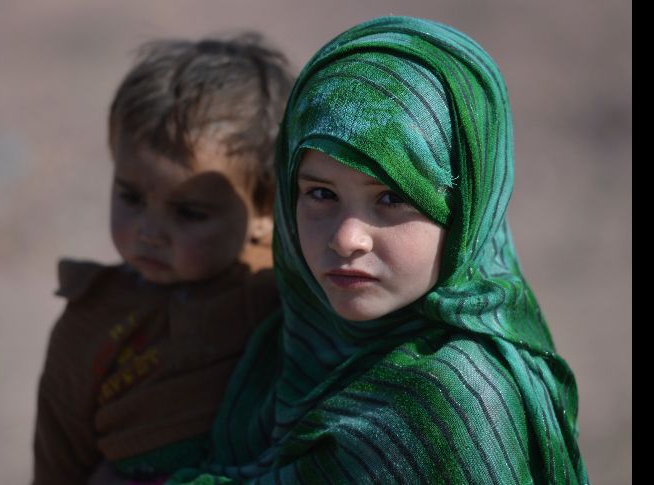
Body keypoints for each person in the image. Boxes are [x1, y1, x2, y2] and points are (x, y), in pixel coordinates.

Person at [167, 16, 589, 484]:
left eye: (392, 198)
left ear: (468, 212)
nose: (347, 238)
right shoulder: (285, 342)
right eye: (321, 194)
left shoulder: (455, 398)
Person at [32, 33, 293, 485]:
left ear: (265, 210)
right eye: (130, 197)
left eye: (189, 213)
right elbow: (58, 457)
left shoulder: (289, 295)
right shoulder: (92, 322)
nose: (148, 232)